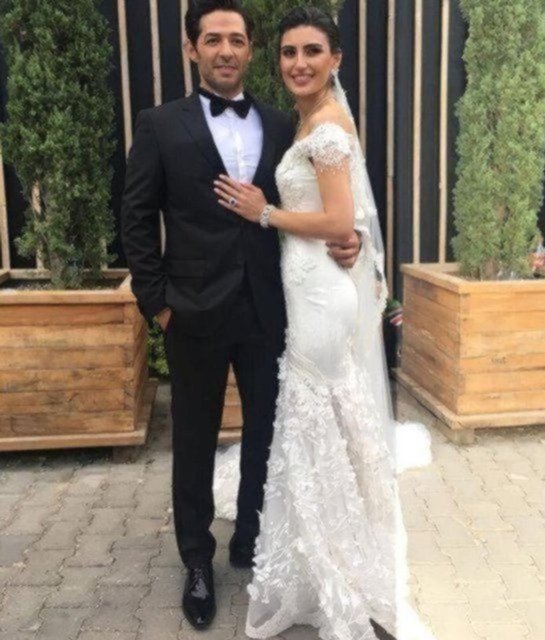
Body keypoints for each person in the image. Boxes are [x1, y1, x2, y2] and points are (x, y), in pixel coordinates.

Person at [121, 0, 361, 631]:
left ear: (251, 50)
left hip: (269, 309)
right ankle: (197, 560)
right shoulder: (159, 125)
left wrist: (352, 239)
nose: (225, 50)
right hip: (191, 313)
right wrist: (158, 306)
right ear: (192, 49)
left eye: (236, 39)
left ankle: (251, 537)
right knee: (194, 440)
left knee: (266, 434)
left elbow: (322, 203)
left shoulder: (286, 125)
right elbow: (136, 220)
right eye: (212, 39)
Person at [214, 7, 435, 640]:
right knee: (324, 423)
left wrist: (265, 213)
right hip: (310, 289)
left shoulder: (329, 124)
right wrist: (350, 237)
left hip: (320, 300)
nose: (299, 63)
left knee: (314, 422)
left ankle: (338, 569)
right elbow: (350, 219)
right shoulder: (312, 120)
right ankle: (330, 550)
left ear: (335, 59)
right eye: (289, 52)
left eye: (312, 51)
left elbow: (339, 220)